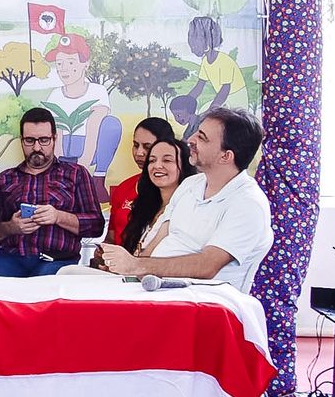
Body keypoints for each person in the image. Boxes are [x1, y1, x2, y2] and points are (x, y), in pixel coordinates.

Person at [99, 107, 273, 292]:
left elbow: (207, 266)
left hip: (202, 303)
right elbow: (156, 241)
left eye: (202, 138)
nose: (190, 140)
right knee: (72, 279)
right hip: (154, 289)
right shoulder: (191, 185)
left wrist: (136, 266)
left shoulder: (248, 203)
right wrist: (130, 273)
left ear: (226, 156)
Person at [0, 107, 104, 277]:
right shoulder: (5, 178)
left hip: (58, 260)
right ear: (21, 140)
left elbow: (96, 225)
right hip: (11, 258)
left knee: (45, 286)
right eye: (30, 140)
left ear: (54, 139)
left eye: (44, 140)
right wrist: (10, 227)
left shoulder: (76, 174)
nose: (37, 147)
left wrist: (58, 217)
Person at [114, 139, 196, 256]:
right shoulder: (145, 206)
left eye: (167, 160)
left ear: (185, 166)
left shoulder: (189, 209)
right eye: (152, 160)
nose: (157, 166)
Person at [42, 34, 111, 171]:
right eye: (59, 63)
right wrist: (59, 162)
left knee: (112, 124)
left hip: (90, 144)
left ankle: (99, 176)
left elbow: (94, 124)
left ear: (86, 64)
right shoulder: (55, 94)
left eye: (71, 62)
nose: (64, 68)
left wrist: (84, 161)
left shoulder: (97, 90)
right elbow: (57, 129)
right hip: (65, 144)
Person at [106, 117, 177, 248]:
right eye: (136, 145)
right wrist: (102, 255)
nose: (139, 153)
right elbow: (111, 238)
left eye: (147, 147)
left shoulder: (181, 191)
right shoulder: (124, 188)